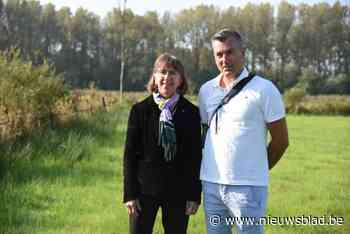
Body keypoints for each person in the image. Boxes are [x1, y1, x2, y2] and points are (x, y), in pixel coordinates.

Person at [198, 29, 289, 234]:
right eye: (219, 54)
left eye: (230, 52)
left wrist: (256, 170)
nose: (224, 59)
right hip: (211, 185)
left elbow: (281, 141)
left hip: (248, 188)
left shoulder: (265, 90)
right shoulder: (205, 91)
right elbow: (206, 134)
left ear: (243, 53)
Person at [123, 53, 202, 234]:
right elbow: (130, 155)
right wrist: (130, 194)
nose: (167, 78)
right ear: (155, 77)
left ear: (181, 79)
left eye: (173, 73)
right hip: (144, 191)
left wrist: (194, 195)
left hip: (178, 192)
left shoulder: (191, 112)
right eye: (162, 72)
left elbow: (195, 156)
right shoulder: (139, 110)